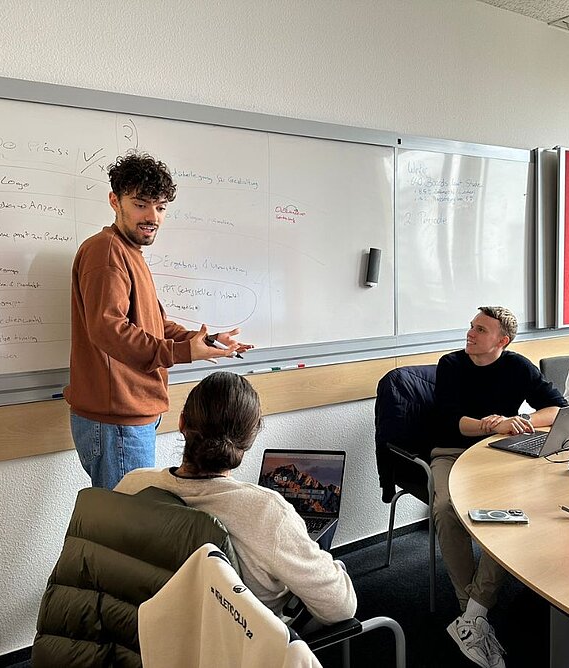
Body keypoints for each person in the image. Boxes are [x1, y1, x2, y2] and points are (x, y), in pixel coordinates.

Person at [65, 151, 252, 489]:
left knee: (128, 524)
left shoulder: (128, 251)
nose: (152, 216)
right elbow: (109, 329)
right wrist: (182, 353)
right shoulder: (106, 251)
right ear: (114, 200)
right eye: (141, 204)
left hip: (127, 417)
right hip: (118, 420)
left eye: (161, 207)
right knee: (128, 529)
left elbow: (156, 326)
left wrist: (204, 341)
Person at [115, 371, 357, 624]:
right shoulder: (266, 512)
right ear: (250, 437)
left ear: (182, 423)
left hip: (146, 638)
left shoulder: (132, 485)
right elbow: (341, 608)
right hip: (241, 651)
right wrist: (329, 564)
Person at [433, 306, 567, 668]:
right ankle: (471, 613)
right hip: (450, 452)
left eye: (481, 329)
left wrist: (520, 420)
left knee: (512, 510)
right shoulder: (451, 365)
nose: (471, 333)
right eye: (472, 325)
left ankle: (472, 614)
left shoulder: (517, 366)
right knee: (445, 509)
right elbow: (451, 423)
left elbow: (558, 408)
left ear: (502, 341)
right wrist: (489, 425)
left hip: (496, 454)